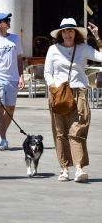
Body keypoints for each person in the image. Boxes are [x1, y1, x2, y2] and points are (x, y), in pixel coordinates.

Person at [44, 18, 102, 183]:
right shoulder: (53, 49)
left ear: (75, 33)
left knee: (77, 130)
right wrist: (53, 87)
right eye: (64, 31)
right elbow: (48, 72)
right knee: (60, 132)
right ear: (60, 34)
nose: (67, 34)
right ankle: (64, 168)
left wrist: (97, 37)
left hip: (78, 93)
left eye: (70, 31)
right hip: (58, 93)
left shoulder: (83, 48)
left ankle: (79, 168)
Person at [0, 12, 25, 150]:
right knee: (0, 108)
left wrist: (21, 76)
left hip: (13, 78)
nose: (9, 21)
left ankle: (1, 133)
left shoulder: (15, 38)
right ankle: (3, 139)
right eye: (6, 20)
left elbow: (19, 59)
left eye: (9, 19)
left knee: (10, 109)